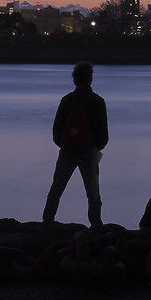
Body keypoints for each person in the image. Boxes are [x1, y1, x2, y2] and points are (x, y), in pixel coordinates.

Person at [42, 63, 108, 228]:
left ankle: (47, 221)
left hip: (67, 152)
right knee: (93, 192)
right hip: (88, 152)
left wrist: (64, 144)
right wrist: (95, 147)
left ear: (74, 79)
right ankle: (96, 224)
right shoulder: (98, 101)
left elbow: (56, 129)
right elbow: (103, 133)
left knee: (57, 188)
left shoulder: (66, 100)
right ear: (90, 78)